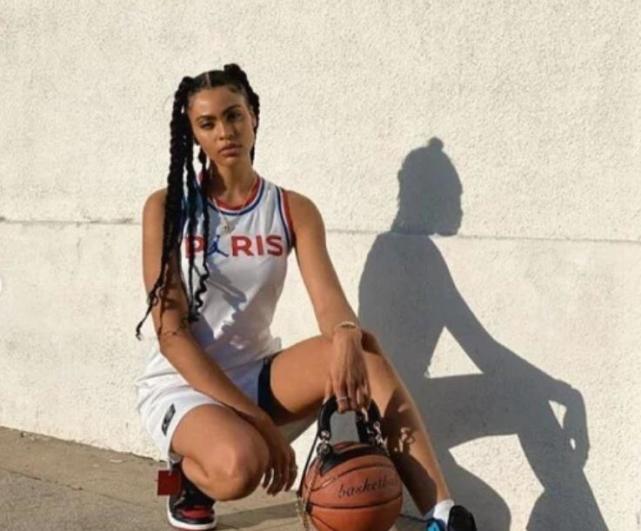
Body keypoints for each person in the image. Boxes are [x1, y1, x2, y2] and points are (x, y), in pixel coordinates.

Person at [133, 64, 478, 531]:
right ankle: (190, 480)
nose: (225, 132)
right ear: (194, 134)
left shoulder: (291, 208)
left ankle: (442, 515)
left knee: (363, 351)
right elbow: (171, 335)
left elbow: (329, 301)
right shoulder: (168, 207)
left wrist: (347, 334)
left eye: (234, 115)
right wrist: (259, 423)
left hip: (255, 374)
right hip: (183, 382)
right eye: (208, 123)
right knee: (241, 466)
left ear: (254, 116)